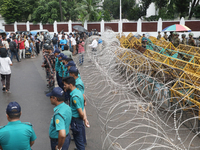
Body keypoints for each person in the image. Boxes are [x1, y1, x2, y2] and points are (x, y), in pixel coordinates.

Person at [62, 76, 89, 150]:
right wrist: (85, 119)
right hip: (77, 121)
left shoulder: (74, 97)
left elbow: (80, 112)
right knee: (78, 139)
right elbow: (83, 105)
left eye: (65, 85)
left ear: (70, 84)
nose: (64, 86)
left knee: (79, 141)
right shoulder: (78, 91)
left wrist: (83, 118)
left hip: (76, 121)